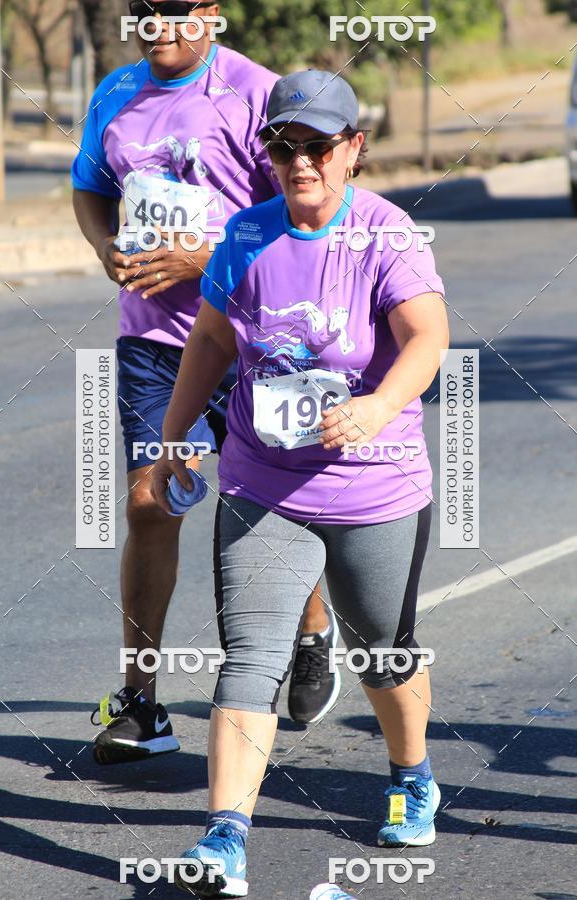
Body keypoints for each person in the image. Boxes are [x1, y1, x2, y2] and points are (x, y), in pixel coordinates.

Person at [151, 68, 449, 897]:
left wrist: (379, 406)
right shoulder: (245, 237)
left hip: (374, 489)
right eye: (283, 147)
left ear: (354, 149)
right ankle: (224, 840)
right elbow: (210, 342)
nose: (300, 162)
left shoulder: (389, 237)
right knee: (250, 657)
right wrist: (175, 438)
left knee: (384, 653)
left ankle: (412, 774)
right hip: (262, 484)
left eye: (318, 146)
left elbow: (427, 337)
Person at [71, 0, 338, 766]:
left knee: (276, 505)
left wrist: (207, 261)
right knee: (151, 503)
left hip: (257, 336)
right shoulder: (115, 94)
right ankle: (141, 702)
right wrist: (103, 246)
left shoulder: (259, 92)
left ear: (211, 15)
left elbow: (305, 203)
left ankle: (314, 629)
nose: (160, 25)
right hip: (154, 344)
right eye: (144, 11)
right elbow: (89, 183)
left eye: (177, 11)